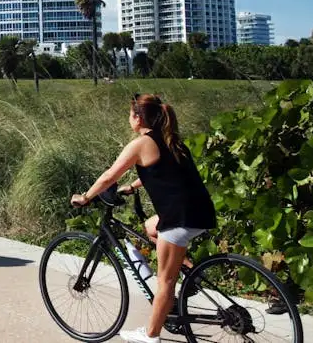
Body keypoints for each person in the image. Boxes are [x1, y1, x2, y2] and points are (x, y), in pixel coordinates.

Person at [70, 94, 216, 343]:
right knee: (150, 226)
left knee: (165, 282)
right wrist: (135, 185)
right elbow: (165, 170)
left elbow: (108, 177)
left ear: (138, 118)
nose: (129, 118)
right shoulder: (172, 139)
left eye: (130, 114)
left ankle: (151, 335)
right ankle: (192, 273)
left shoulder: (141, 144)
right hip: (200, 210)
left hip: (180, 217)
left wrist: (85, 197)